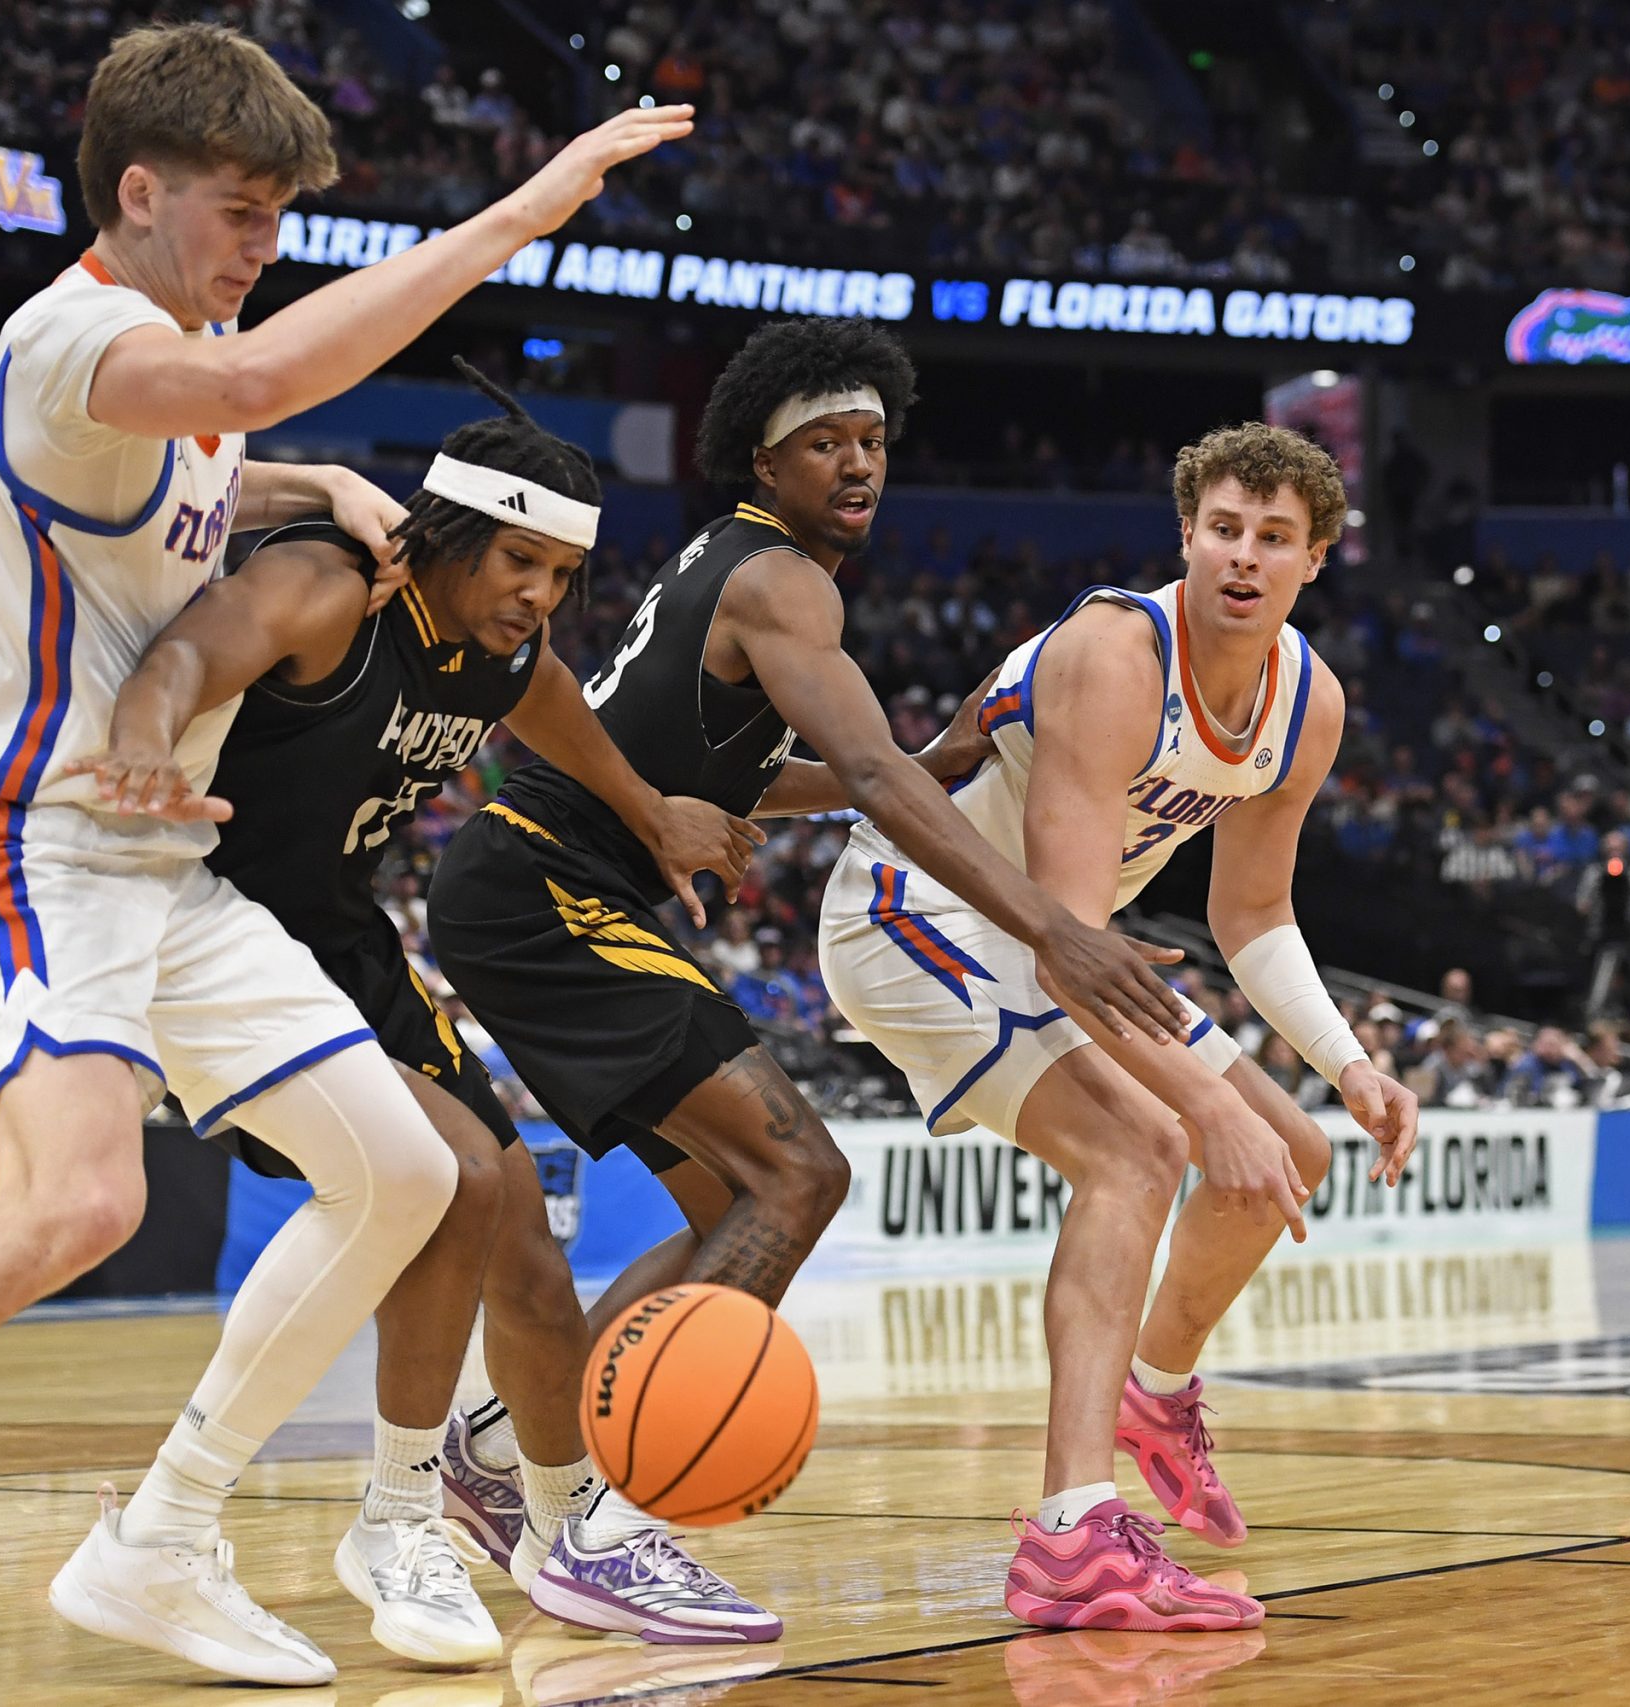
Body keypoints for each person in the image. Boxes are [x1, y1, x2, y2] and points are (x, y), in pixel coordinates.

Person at [0, 24, 697, 1702]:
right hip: (29, 837)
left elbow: (215, 458)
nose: (263, 247)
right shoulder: (72, 335)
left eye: (279, 218)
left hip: (162, 860)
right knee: (80, 1199)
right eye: (242, 213)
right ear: (139, 192)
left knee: (411, 1171)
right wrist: (520, 212)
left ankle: (163, 1537)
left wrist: (315, 477)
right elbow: (239, 399)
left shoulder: (183, 350)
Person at [423, 317, 1195, 1629]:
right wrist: (1051, 924)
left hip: (529, 888)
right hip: (545, 885)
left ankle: (500, 1449)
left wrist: (913, 766)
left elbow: (745, 768)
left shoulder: (731, 564)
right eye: (824, 443)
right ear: (762, 464)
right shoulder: (784, 579)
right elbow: (879, 780)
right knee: (802, 1174)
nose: (857, 463)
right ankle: (616, 1531)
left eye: (872, 440)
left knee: (737, 1200)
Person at [85, 367, 774, 1660]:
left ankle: (568, 1522)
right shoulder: (333, 589)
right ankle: (395, 1514)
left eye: (561, 575)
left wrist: (650, 813)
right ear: (449, 534)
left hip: (346, 942)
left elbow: (547, 698)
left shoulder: (503, 646)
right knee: (455, 1178)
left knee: (524, 1245)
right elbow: (186, 649)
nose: (538, 595)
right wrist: (142, 736)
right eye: (519, 561)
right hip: (214, 937)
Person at [817, 423, 1419, 1631]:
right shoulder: (1114, 652)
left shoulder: (1308, 700)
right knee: (1144, 1149)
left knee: (1293, 1155)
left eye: (1274, 538)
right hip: (916, 911)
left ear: (1315, 560)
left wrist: (1348, 1063)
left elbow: (1251, 914)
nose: (1243, 556)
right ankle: (1071, 1538)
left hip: (1058, 935)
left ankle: (1153, 1393)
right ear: (1186, 535)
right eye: (1223, 529)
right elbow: (1069, 938)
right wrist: (1200, 1107)